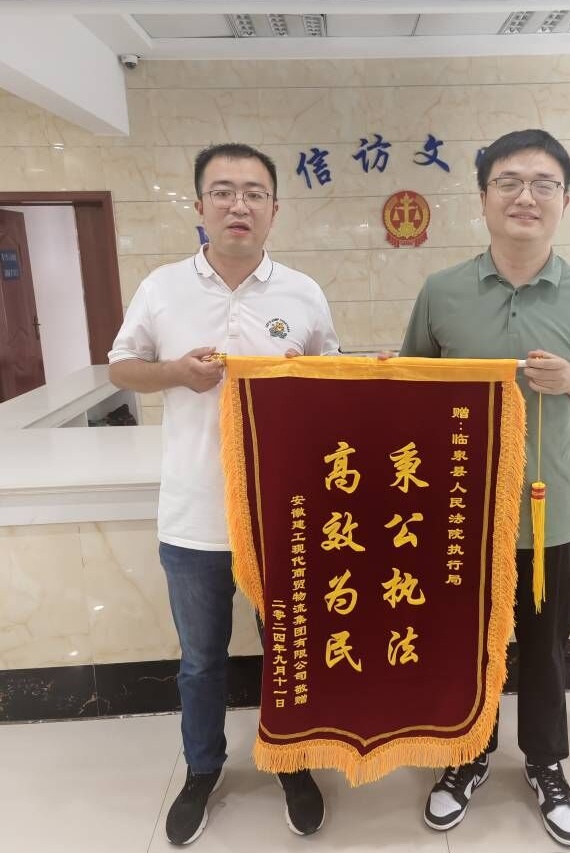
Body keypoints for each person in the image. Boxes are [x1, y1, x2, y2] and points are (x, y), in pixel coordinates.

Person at [400, 129, 570, 847]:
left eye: (542, 183)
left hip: (551, 515)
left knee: (544, 650)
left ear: (564, 199)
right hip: (461, 516)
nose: (524, 196)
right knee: (466, 646)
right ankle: (466, 755)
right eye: (508, 181)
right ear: (483, 198)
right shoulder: (441, 291)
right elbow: (409, 390)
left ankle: (545, 763)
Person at [108, 143, 339, 845]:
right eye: (224, 191)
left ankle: (292, 760)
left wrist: (309, 379)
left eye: (254, 193)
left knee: (291, 651)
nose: (239, 205)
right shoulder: (162, 288)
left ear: (275, 208)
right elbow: (121, 368)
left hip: (283, 515)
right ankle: (202, 769)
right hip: (193, 514)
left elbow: (337, 384)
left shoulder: (302, 292)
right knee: (201, 660)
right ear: (200, 205)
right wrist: (176, 372)